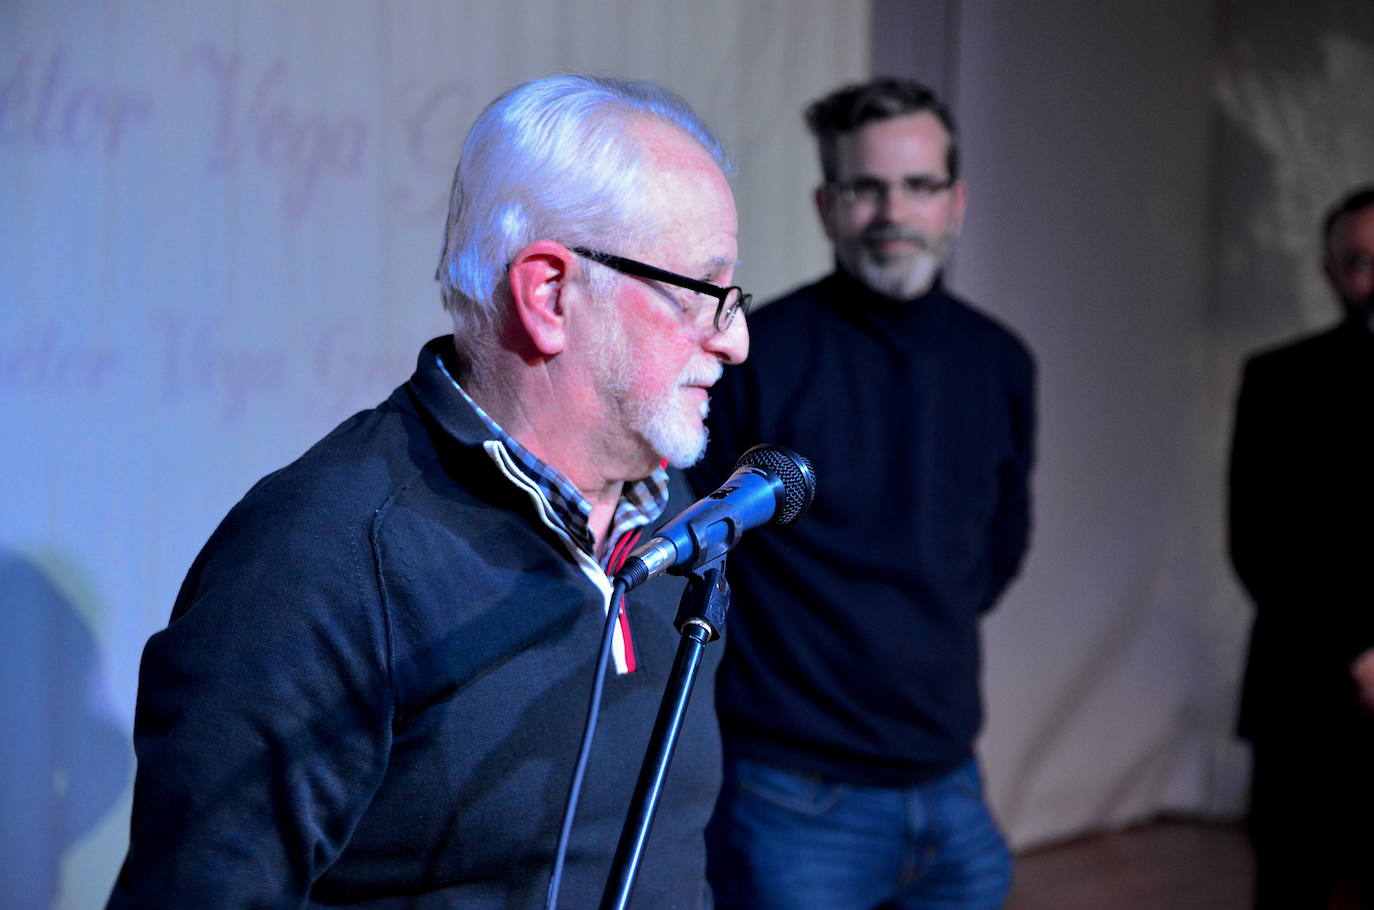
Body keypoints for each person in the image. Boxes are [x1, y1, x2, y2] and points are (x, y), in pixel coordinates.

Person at [106, 73, 751, 909]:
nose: (734, 340)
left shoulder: (676, 521)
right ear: (551, 294)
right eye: (705, 294)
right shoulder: (322, 556)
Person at [692, 77, 1034, 910]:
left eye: (918, 187)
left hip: (953, 785)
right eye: (866, 187)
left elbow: (999, 549)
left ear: (955, 203)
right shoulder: (755, 353)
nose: (893, 211)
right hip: (791, 798)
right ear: (826, 204)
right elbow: (704, 550)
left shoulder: (1001, 361)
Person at [1229, 185, 1374, 909]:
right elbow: (1257, 543)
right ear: (1329, 273)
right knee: (1291, 885)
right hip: (1305, 694)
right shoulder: (1277, 381)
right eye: (1359, 262)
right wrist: (1359, 653)